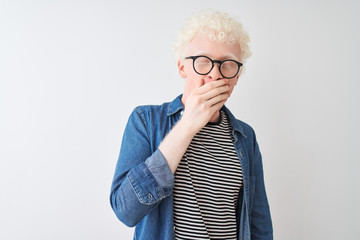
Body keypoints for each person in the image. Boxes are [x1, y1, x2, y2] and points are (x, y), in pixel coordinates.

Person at [110, 9, 273, 240]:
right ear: (182, 67)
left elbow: (259, 223)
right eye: (203, 61)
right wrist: (187, 125)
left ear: (237, 76)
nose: (215, 75)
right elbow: (125, 210)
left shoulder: (246, 137)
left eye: (227, 64)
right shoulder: (145, 121)